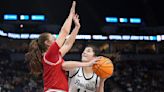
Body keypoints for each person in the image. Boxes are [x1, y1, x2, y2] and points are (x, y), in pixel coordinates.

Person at [25, 1, 100, 92]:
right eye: (53, 37)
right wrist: (70, 14)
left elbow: (68, 44)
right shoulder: (49, 54)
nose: (55, 38)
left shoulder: (54, 55)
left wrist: (77, 27)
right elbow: (64, 32)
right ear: (48, 43)